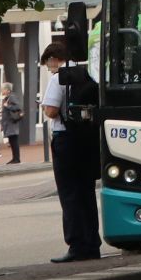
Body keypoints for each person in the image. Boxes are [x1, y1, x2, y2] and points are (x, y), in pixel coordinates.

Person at [41, 41, 101, 262]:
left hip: (65, 140)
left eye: (48, 63)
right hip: (85, 139)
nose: (49, 67)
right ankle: (92, 243)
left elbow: (51, 110)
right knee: (86, 193)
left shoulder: (59, 78)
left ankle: (76, 245)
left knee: (69, 194)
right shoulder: (86, 75)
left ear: (54, 58)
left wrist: (44, 106)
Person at [0, 82, 23, 164]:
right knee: (12, 141)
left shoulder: (12, 97)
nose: (2, 90)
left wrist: (7, 106)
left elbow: (18, 107)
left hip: (12, 123)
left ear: (8, 90)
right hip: (9, 123)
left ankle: (16, 159)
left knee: (14, 141)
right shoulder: (7, 98)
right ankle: (15, 158)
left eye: (3, 89)